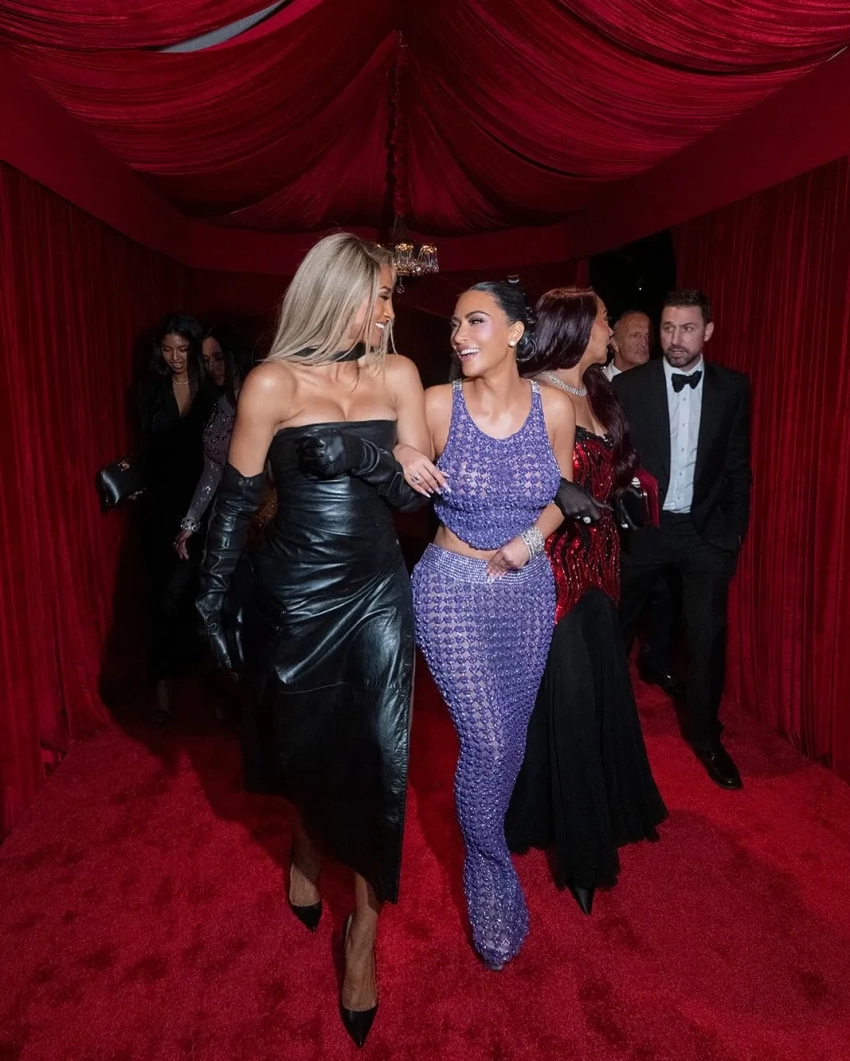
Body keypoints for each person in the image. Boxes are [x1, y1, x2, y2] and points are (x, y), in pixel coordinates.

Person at [196, 233, 429, 1048]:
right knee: (300, 747)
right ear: (337, 294)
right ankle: (304, 837)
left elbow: (413, 493)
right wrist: (210, 602)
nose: (391, 310)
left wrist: (364, 452)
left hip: (376, 595)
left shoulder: (398, 375)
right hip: (294, 597)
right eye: (381, 295)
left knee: (379, 759)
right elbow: (234, 504)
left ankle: (363, 930)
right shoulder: (272, 383)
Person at [407, 279, 577, 971]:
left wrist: (528, 543)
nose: (458, 336)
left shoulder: (556, 407)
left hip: (527, 594)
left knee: (509, 746)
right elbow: (391, 457)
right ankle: (490, 872)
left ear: (515, 331)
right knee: (490, 738)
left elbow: (560, 494)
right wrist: (402, 455)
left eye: (474, 321)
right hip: (450, 590)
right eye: (454, 325)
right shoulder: (435, 403)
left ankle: (486, 849)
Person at [505, 287, 667, 914]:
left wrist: (622, 493)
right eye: (603, 320)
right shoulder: (531, 393)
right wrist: (556, 495)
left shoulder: (599, 391)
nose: (611, 329)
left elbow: (603, 472)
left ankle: (595, 812)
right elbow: (510, 479)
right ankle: (580, 851)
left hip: (602, 564)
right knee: (568, 701)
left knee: (601, 690)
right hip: (553, 567)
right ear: (576, 326)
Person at [613, 289, 752, 790]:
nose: (674, 339)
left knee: (706, 636)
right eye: (667, 328)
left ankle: (707, 737)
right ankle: (603, 727)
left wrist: (732, 535)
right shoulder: (629, 386)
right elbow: (614, 461)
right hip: (646, 530)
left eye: (687, 329)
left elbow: (738, 465)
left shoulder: (733, 388)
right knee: (614, 628)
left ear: (707, 331)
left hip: (704, 532)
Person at [137, 313, 214, 723]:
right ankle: (161, 693)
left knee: (201, 593)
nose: (175, 358)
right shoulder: (150, 388)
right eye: (167, 349)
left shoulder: (212, 387)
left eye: (182, 349)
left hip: (206, 503)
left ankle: (210, 687)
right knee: (162, 597)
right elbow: (147, 447)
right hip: (163, 506)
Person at [605, 311, 683, 699]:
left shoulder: (664, 383)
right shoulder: (595, 385)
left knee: (664, 591)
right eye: (634, 334)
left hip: (655, 508)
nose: (643, 341)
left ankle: (655, 662)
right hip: (608, 506)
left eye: (647, 335)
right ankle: (611, 670)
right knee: (623, 595)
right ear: (613, 341)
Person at [174, 324, 254, 560]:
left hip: (257, 520)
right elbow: (212, 471)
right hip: (223, 516)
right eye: (206, 360)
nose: (211, 367)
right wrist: (191, 521)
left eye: (218, 358)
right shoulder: (218, 404)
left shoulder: (259, 400)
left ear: (234, 356)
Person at [603, 309, 650, 380]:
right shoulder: (594, 383)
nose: (644, 342)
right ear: (615, 343)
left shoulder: (658, 381)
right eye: (636, 335)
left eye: (648, 336)